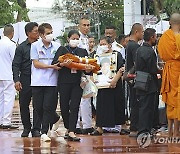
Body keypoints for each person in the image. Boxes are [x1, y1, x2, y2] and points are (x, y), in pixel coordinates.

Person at [52, 30, 94, 141]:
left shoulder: (82, 51)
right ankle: (67, 127)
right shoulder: (62, 50)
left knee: (75, 106)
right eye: (73, 38)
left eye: (77, 38)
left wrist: (89, 69)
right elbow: (54, 64)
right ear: (68, 39)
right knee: (64, 106)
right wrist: (62, 64)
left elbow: (87, 67)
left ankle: (72, 131)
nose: (75, 40)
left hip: (77, 82)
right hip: (64, 82)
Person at [30, 23, 61, 142]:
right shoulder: (35, 46)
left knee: (47, 106)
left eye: (51, 32)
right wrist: (51, 66)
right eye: (48, 33)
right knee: (38, 107)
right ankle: (56, 118)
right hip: (37, 81)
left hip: (52, 81)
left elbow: (61, 61)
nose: (50, 35)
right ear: (41, 35)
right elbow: (36, 64)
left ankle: (44, 132)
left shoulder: (57, 46)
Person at [90, 36, 125, 136]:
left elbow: (121, 68)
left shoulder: (116, 54)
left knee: (118, 104)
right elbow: (94, 70)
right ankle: (100, 127)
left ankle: (122, 126)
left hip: (114, 84)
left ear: (110, 45)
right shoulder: (97, 56)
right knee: (102, 105)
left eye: (104, 44)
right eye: (100, 44)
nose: (102, 46)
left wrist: (114, 80)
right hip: (102, 85)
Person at [12, 22, 42, 137]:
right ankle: (26, 127)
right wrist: (16, 80)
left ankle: (36, 129)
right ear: (28, 33)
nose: (38, 33)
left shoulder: (41, 45)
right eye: (35, 31)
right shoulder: (21, 48)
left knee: (38, 104)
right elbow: (16, 65)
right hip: (25, 78)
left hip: (39, 78)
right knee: (24, 104)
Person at [158, 13, 180, 137]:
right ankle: (176, 132)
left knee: (170, 102)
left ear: (170, 23)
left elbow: (161, 53)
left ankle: (170, 130)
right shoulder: (178, 37)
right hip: (177, 70)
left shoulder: (165, 37)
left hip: (168, 70)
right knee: (177, 101)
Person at [135, 28, 159, 135]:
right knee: (148, 108)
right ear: (151, 37)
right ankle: (145, 130)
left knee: (142, 107)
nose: (156, 39)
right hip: (149, 83)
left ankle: (142, 130)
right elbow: (153, 69)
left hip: (140, 81)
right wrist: (161, 71)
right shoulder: (150, 51)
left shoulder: (139, 49)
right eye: (155, 37)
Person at [76, 16, 94, 135]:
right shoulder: (76, 38)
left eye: (88, 25)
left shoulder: (87, 39)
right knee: (77, 99)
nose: (86, 27)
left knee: (87, 97)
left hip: (86, 71)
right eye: (84, 25)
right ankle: (76, 125)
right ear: (79, 26)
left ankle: (87, 125)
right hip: (77, 71)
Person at [126, 23, 144, 137]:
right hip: (134, 78)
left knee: (133, 102)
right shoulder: (135, 46)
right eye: (142, 32)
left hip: (130, 78)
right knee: (136, 103)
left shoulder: (129, 45)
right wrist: (131, 73)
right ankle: (135, 127)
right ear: (136, 32)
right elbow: (137, 63)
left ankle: (134, 126)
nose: (143, 34)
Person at [0, 24, 17, 129]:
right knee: (9, 98)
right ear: (12, 33)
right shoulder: (11, 45)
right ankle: (6, 121)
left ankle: (1, 119)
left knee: (1, 98)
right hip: (8, 74)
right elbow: (15, 60)